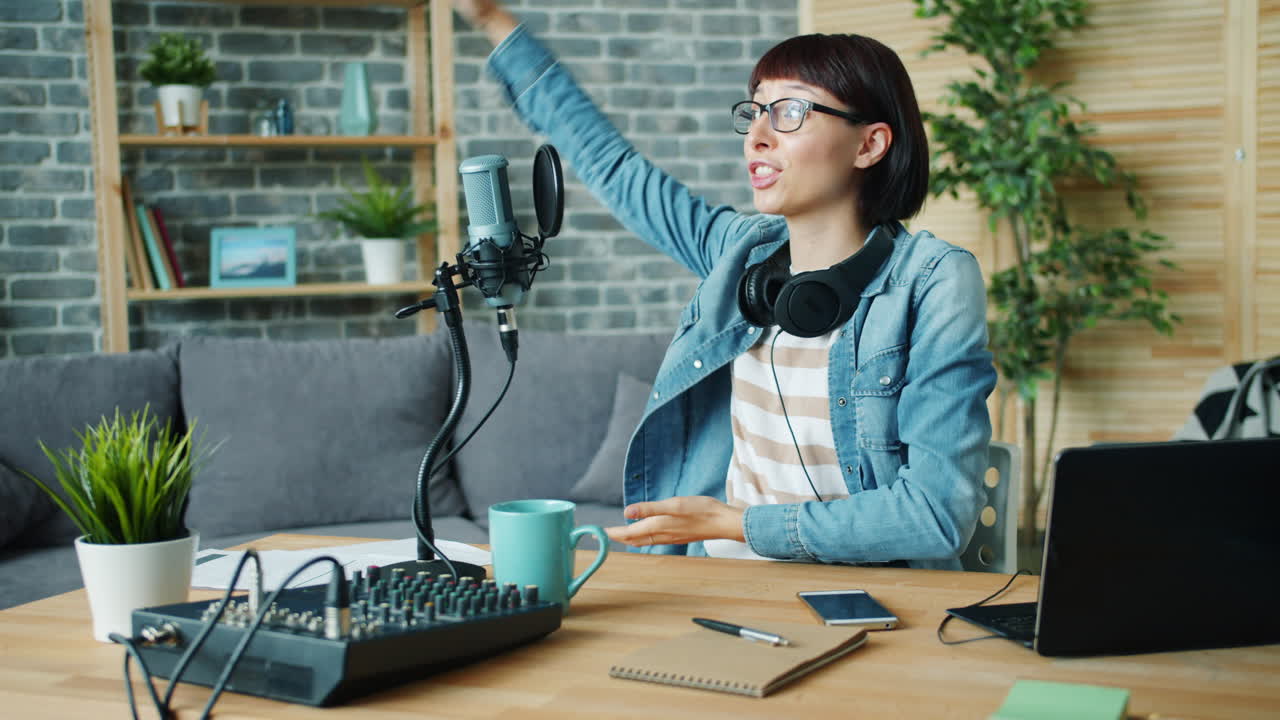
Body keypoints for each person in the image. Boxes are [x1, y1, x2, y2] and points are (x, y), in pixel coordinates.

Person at [451, 0, 997, 570]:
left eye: (788, 113)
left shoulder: (933, 282)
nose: (755, 138)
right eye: (753, 112)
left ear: (869, 145)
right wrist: (493, 20)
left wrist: (737, 525)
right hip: (721, 582)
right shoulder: (740, 251)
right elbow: (610, 165)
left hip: (875, 601)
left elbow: (936, 515)